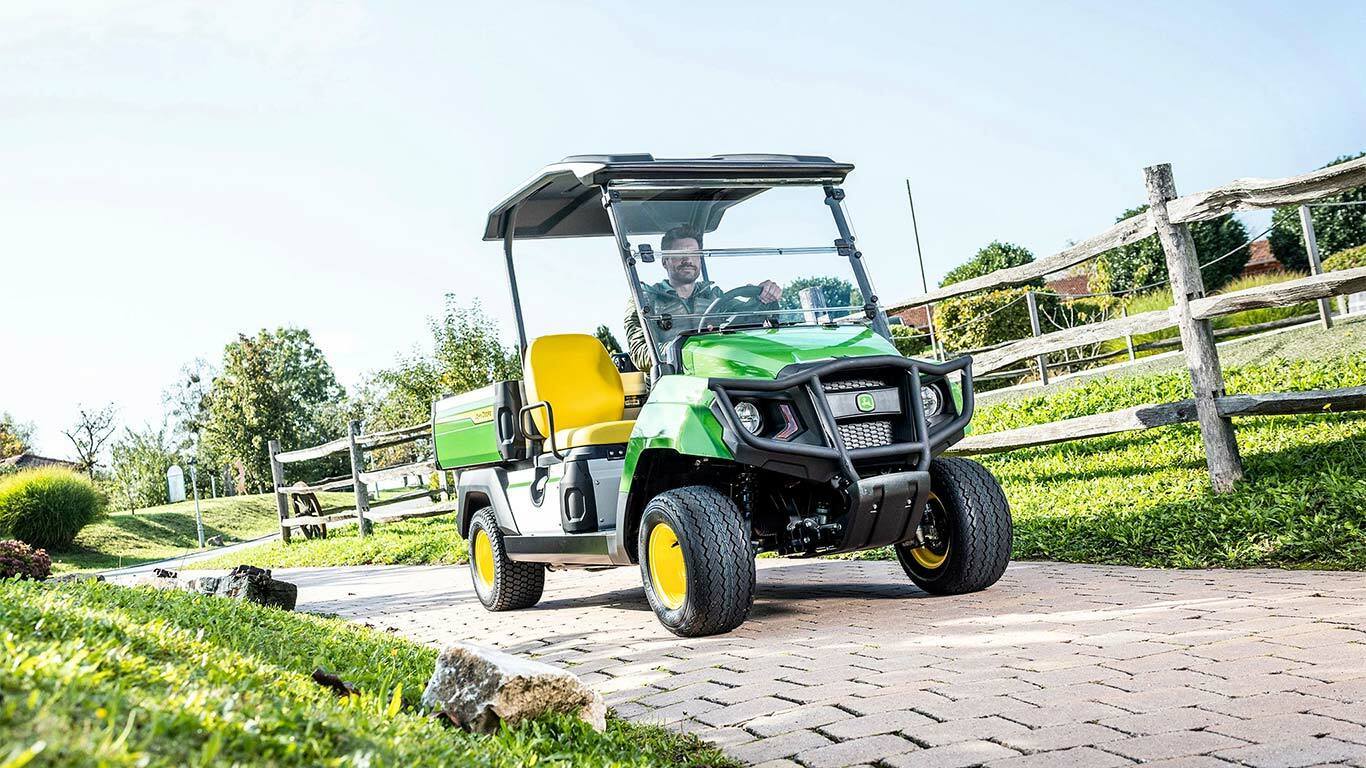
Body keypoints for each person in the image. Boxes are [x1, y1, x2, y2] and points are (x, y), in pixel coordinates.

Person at [624, 225, 781, 371]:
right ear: (665, 261)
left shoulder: (714, 297)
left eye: (694, 254)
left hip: (719, 377)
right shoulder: (645, 300)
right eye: (680, 254)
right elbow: (640, 352)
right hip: (671, 383)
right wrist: (690, 348)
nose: (688, 260)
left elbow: (748, 319)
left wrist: (763, 298)